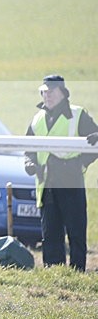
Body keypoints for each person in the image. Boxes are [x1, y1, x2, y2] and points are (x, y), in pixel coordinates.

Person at [24, 74, 98, 271]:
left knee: (76, 234)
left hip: (71, 181)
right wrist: (30, 162)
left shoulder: (78, 114)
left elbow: (95, 142)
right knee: (50, 234)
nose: (47, 95)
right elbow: (28, 148)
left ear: (63, 94)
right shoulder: (37, 119)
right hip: (46, 184)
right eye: (44, 91)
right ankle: (54, 274)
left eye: (51, 91)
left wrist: (81, 164)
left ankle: (77, 274)